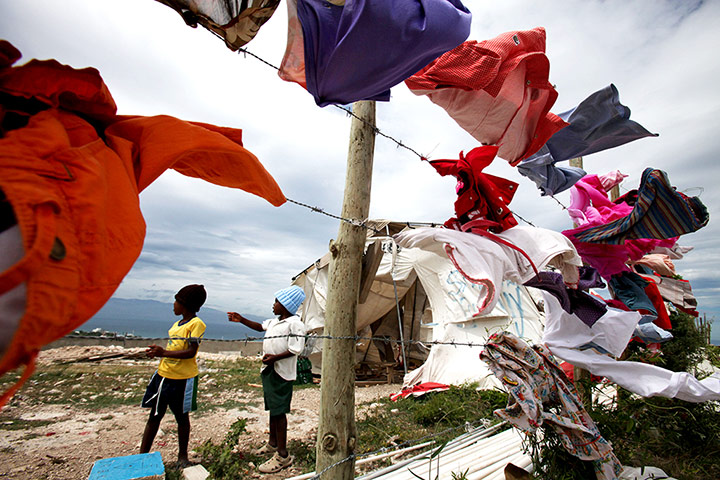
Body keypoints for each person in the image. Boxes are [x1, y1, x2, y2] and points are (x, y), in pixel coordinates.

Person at [227, 285, 307, 474]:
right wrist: (241, 320)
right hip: (269, 370)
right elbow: (259, 326)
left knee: (279, 412)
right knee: (273, 408)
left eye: (277, 302)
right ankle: (272, 443)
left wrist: (274, 358)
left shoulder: (295, 324)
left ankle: (283, 455)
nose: (273, 305)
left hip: (281, 372)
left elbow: (296, 348)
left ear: (286, 305)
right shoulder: (275, 322)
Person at [140, 284, 207, 467]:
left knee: (182, 417)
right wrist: (158, 352)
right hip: (164, 375)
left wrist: (163, 353)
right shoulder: (177, 324)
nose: (173, 305)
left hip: (182, 379)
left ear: (184, 303)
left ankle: (182, 457)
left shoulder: (196, 324)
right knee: (155, 415)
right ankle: (141, 456)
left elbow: (191, 352)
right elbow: (173, 348)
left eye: (176, 301)